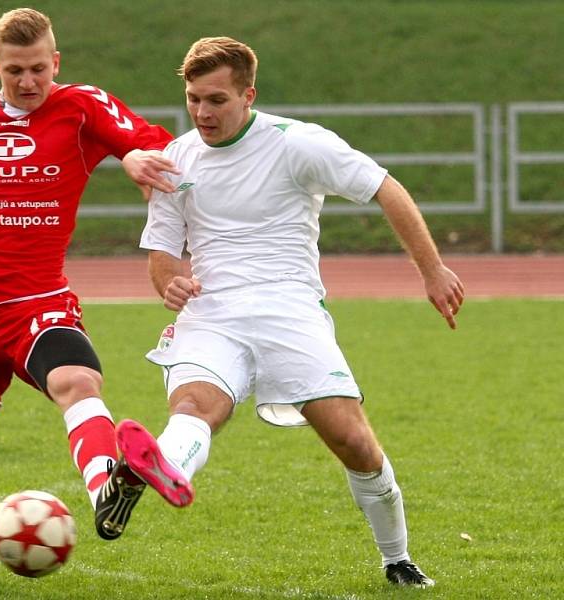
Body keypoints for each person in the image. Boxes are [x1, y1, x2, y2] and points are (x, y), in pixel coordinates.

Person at [108, 37, 465, 589]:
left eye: (217, 99)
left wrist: (432, 270)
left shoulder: (297, 143)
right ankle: (157, 468)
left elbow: (385, 188)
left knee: (354, 442)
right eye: (193, 98)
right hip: (212, 313)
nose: (203, 112)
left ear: (248, 94)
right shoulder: (173, 161)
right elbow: (161, 253)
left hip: (289, 311)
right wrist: (170, 285)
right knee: (196, 405)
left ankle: (397, 558)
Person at [0, 8, 178, 576]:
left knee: (78, 379)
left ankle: (106, 490)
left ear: (56, 63)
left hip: (39, 299)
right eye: (15, 70)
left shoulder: (82, 106)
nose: (28, 82)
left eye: (39, 69)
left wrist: (137, 155)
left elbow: (149, 142)